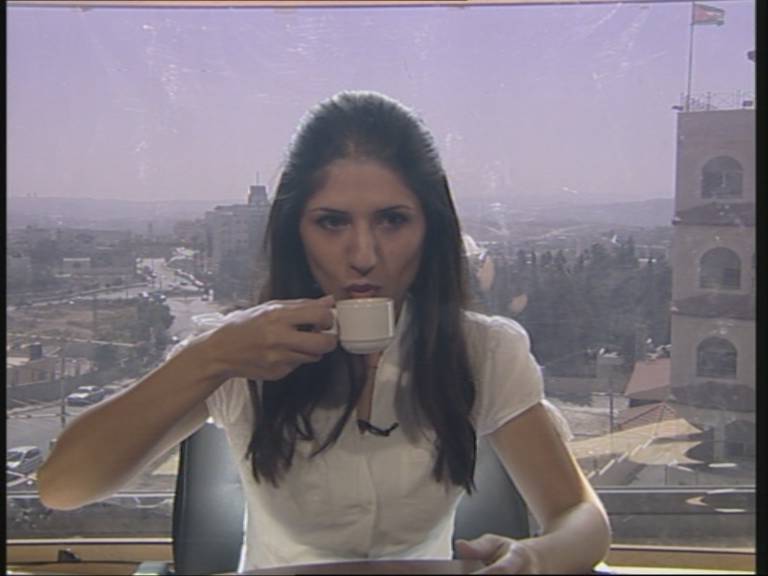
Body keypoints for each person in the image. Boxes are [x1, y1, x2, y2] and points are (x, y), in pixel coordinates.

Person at [38, 90, 611, 573]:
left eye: (392, 220)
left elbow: (581, 518)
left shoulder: (482, 350)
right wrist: (208, 359)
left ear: (430, 229)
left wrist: (531, 560)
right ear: (297, 232)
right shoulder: (242, 351)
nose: (363, 255)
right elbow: (62, 487)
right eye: (332, 222)